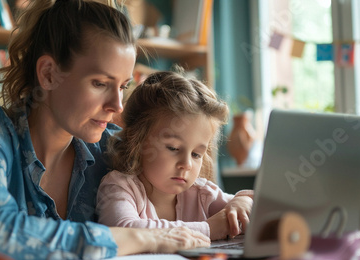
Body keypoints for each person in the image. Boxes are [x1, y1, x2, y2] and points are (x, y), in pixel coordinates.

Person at [0, 0, 210, 260]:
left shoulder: (112, 146)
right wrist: (139, 238)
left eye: (122, 86)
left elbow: (184, 186)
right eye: (100, 83)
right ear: (48, 74)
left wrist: (241, 204)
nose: (116, 105)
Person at [96, 71, 254, 241]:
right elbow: (122, 231)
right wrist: (209, 229)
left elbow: (257, 206)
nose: (186, 164)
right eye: (173, 148)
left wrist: (243, 202)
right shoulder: (120, 186)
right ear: (138, 142)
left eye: (196, 154)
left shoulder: (202, 194)